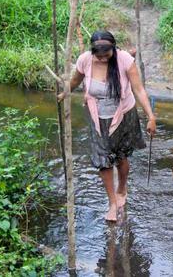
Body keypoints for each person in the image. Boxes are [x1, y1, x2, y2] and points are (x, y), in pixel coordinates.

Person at [58, 30, 156, 222]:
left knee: (121, 157)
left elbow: (139, 90)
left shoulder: (124, 60)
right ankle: (112, 203)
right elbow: (76, 80)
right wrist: (64, 93)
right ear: (92, 51)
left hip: (123, 114)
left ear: (114, 49)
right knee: (103, 160)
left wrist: (151, 116)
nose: (102, 59)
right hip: (97, 117)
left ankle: (122, 187)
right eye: (99, 56)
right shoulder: (85, 60)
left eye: (106, 55)